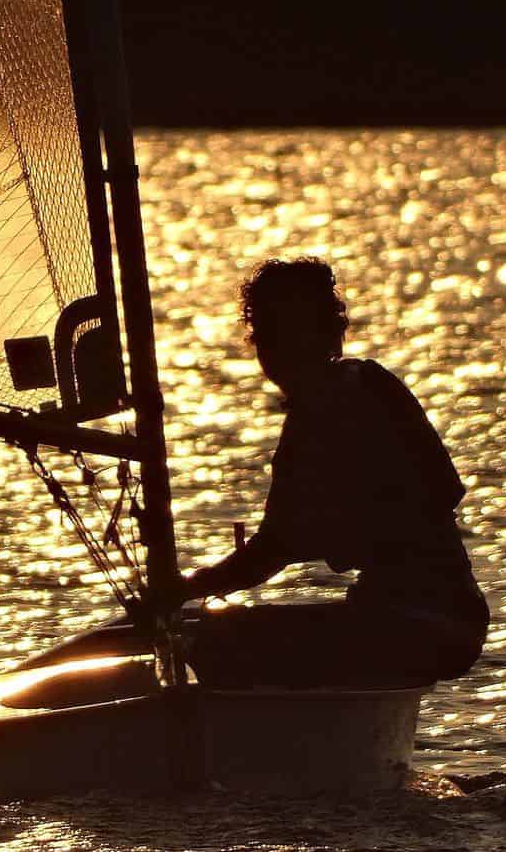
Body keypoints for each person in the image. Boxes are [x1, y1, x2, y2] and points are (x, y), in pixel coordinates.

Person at [151, 257, 489, 688]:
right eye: (268, 336)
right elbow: (437, 492)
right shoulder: (372, 382)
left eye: (290, 333)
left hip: (419, 622)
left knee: (217, 641)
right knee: (238, 631)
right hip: (444, 615)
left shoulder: (334, 405)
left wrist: (181, 588)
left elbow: (272, 550)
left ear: (326, 334)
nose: (276, 351)